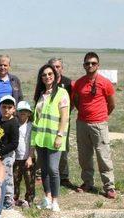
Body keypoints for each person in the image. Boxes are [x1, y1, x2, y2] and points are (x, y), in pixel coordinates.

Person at [72, 52, 117, 199]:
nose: (90, 65)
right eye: (87, 63)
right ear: (84, 65)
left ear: (98, 65)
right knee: (84, 156)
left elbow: (111, 104)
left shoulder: (105, 83)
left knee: (103, 155)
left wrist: (101, 116)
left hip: (99, 124)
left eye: (93, 63)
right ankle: (87, 182)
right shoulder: (79, 83)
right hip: (82, 123)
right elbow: (77, 101)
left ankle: (109, 186)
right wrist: (85, 114)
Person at [30, 64, 70, 212]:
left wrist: (60, 135)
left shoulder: (62, 93)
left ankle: (55, 200)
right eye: (44, 75)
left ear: (55, 75)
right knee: (45, 170)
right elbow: (37, 118)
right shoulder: (41, 94)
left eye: (50, 74)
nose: (47, 77)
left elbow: (65, 116)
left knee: (54, 169)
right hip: (41, 138)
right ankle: (47, 198)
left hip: (55, 138)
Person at [48, 58, 74, 188]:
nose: (56, 69)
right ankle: (44, 174)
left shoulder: (67, 83)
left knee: (63, 148)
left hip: (63, 121)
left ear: (61, 68)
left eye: (58, 67)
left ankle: (63, 176)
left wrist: (64, 116)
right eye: (53, 67)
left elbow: (72, 102)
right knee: (45, 147)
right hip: (47, 121)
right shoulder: (45, 81)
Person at [0, 96, 19, 209]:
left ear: (14, 109)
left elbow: (14, 143)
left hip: (7, 154)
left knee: (7, 176)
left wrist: (1, 152)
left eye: (9, 107)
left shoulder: (13, 123)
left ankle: (8, 199)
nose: (6, 110)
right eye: (4, 107)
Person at [13, 101, 35, 207]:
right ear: (17, 112)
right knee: (15, 179)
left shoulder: (31, 126)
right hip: (16, 158)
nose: (23, 113)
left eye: (25, 111)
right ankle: (14, 198)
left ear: (29, 113)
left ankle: (29, 199)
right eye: (21, 111)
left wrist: (30, 157)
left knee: (29, 179)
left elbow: (33, 142)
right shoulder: (14, 124)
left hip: (27, 157)